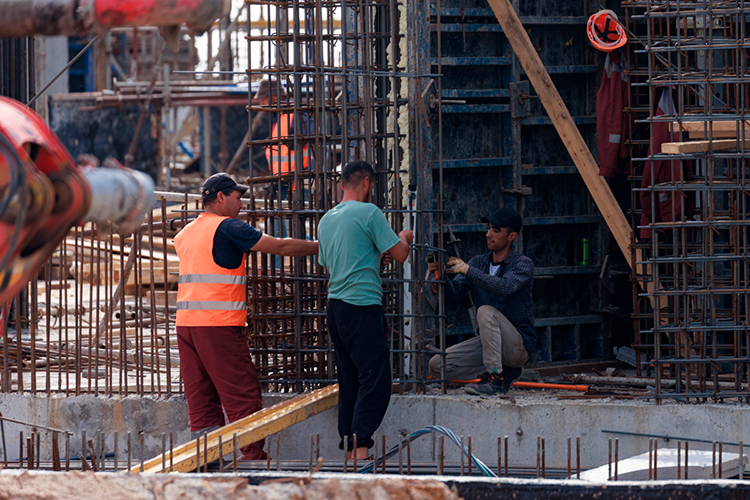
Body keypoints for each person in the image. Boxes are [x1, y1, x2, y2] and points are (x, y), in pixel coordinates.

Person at [173, 172, 319, 460]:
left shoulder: (186, 233)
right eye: (238, 198)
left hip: (187, 326)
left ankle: (205, 459)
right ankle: (253, 459)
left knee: (201, 397)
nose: (242, 205)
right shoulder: (229, 228)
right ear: (221, 197)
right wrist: (323, 247)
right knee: (242, 393)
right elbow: (281, 247)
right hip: (218, 326)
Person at [318, 160, 414, 460]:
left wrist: (373, 255)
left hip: (335, 307)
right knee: (376, 378)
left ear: (341, 184)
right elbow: (400, 255)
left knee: (349, 378)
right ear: (368, 183)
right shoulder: (369, 212)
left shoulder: (327, 219)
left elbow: (332, 263)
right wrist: (403, 237)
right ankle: (361, 449)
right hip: (362, 305)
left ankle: (349, 448)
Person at [428, 207, 536, 396]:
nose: (488, 234)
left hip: (517, 346)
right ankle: (503, 373)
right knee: (437, 365)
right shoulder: (478, 263)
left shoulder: (522, 264)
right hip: (489, 344)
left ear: (511, 237)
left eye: (496, 230)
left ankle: (495, 378)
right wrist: (441, 276)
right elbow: (454, 294)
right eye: (488, 228)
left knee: (485, 311)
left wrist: (468, 271)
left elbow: (505, 287)